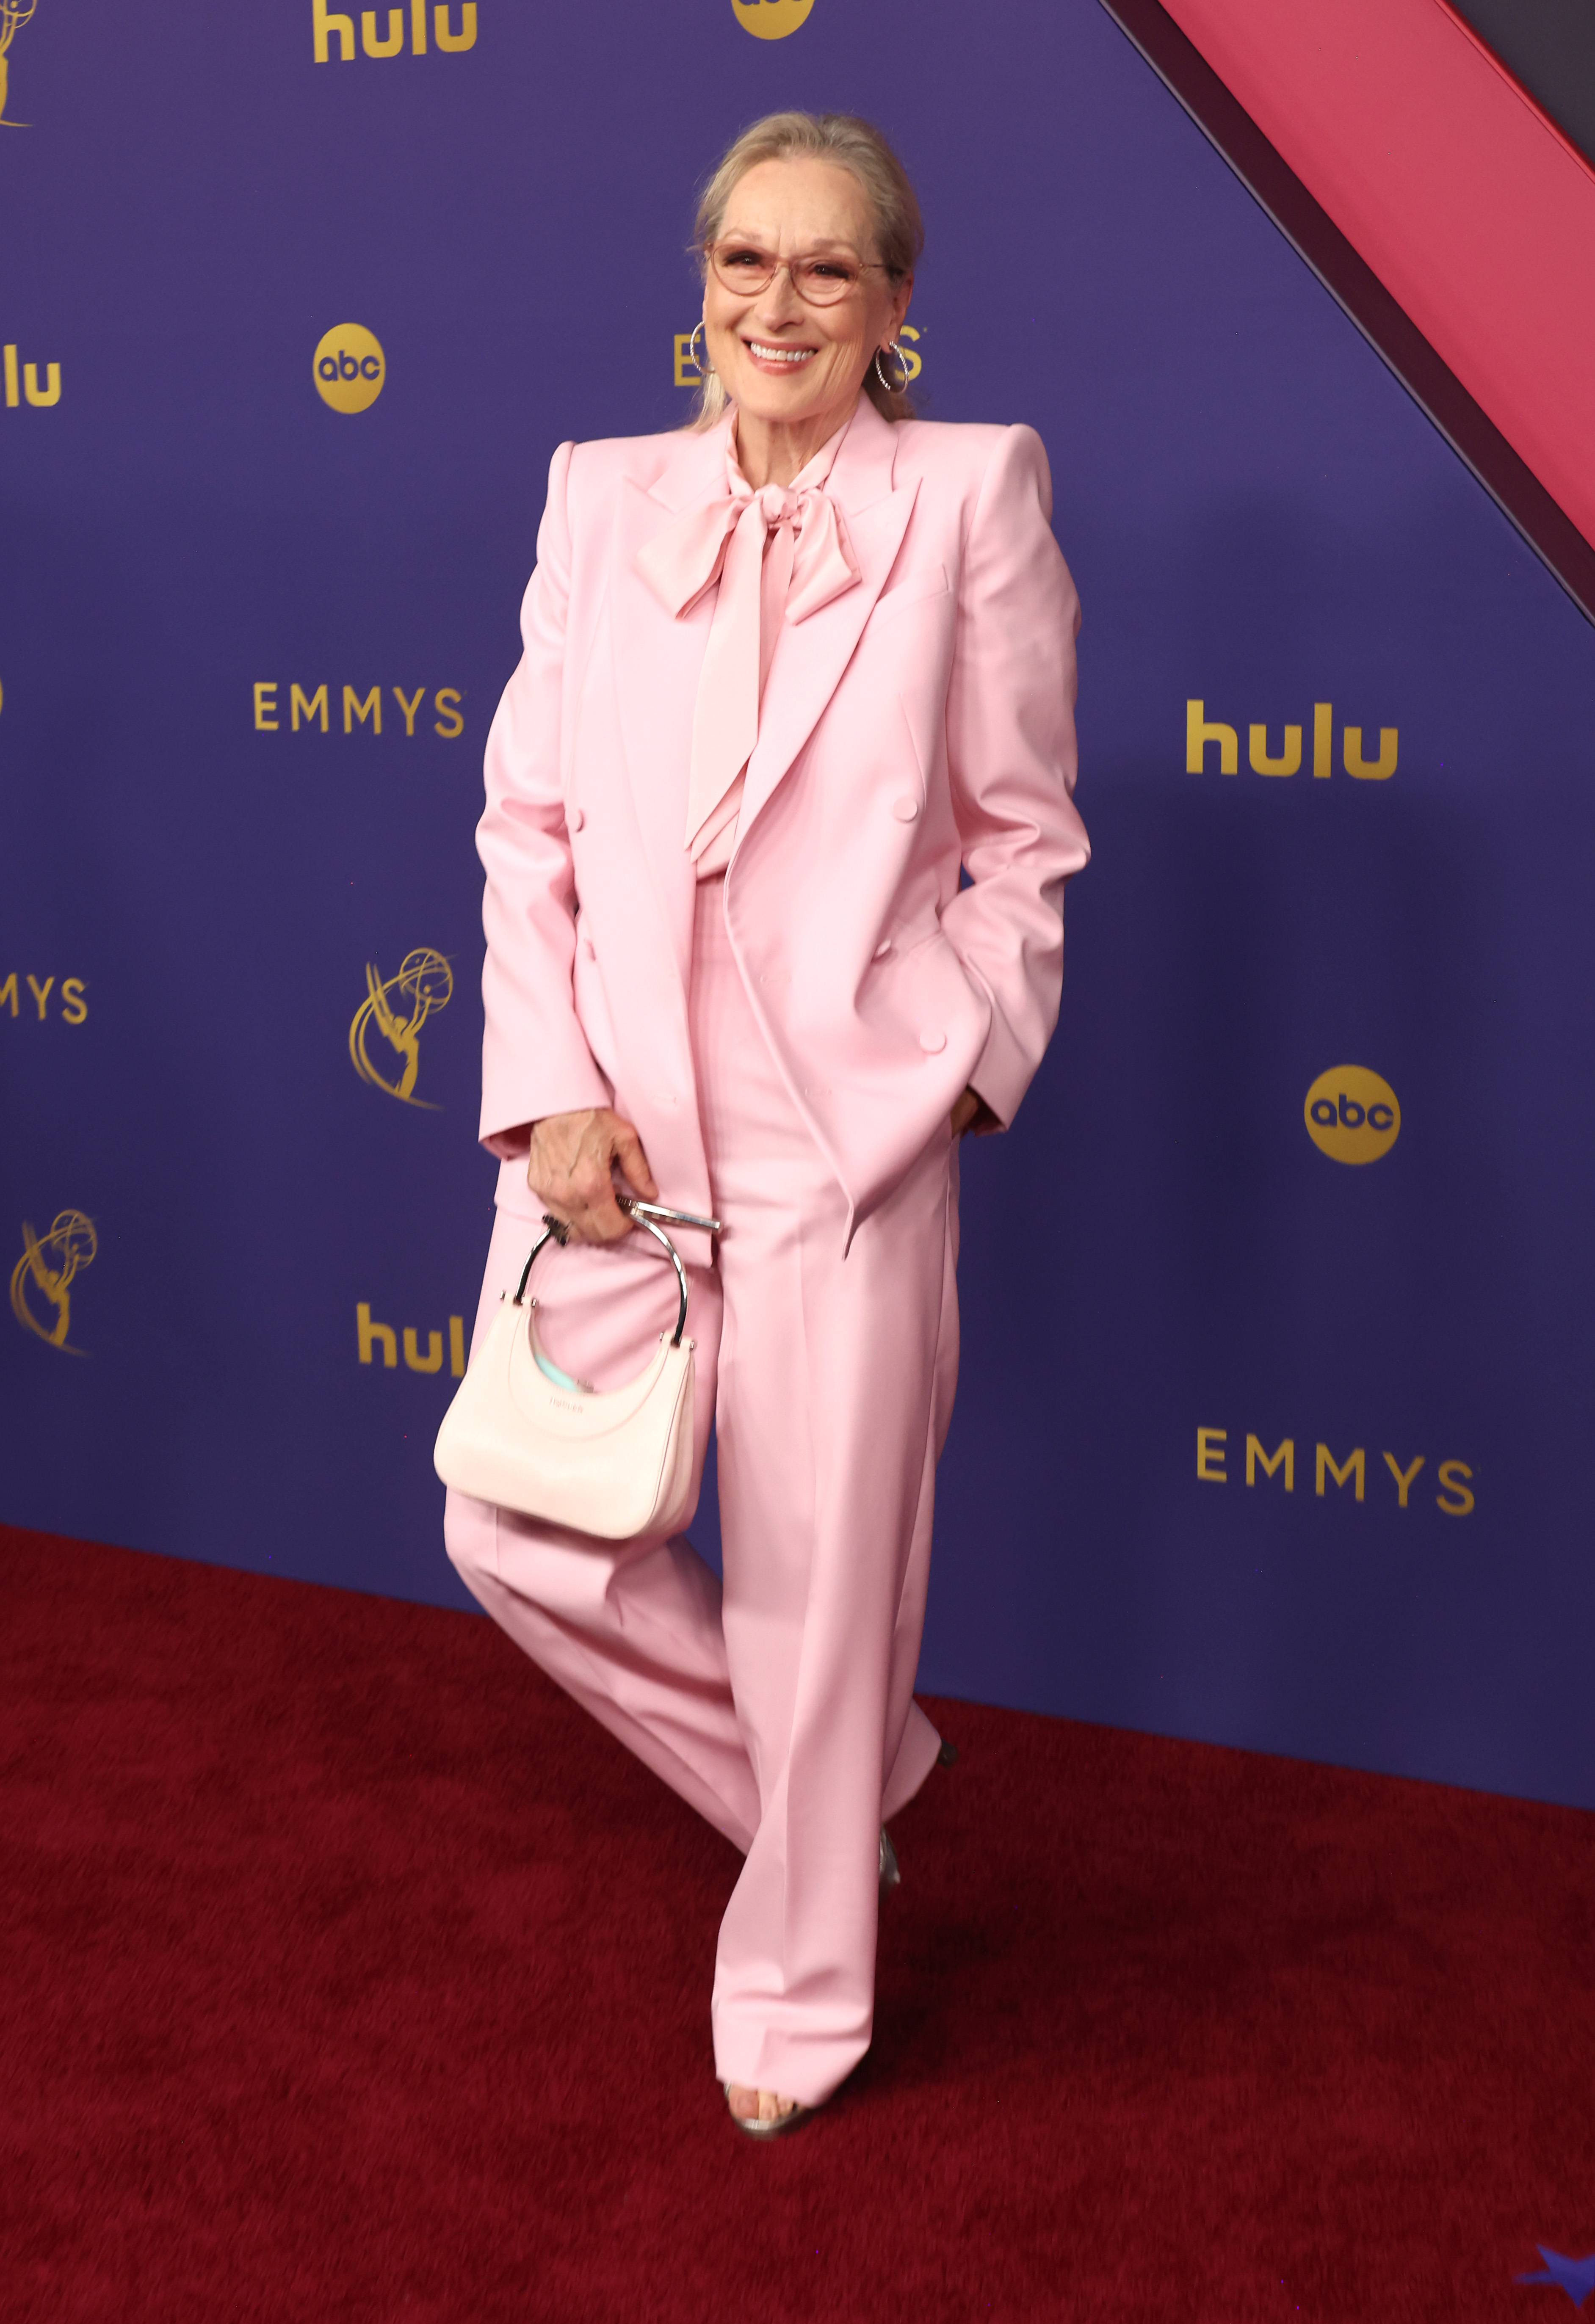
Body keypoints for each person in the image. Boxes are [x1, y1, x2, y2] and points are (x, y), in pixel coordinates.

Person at [445, 110, 1088, 2135]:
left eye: (827, 268)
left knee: (822, 1602)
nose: (779, 303)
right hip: (612, 1146)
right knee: (514, 1528)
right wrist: (544, 1082)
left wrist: (949, 1065)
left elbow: (1023, 840)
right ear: (700, 284)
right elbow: (528, 821)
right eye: (747, 262)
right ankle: (834, 1795)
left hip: (843, 1150)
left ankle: (803, 2001)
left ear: (897, 304)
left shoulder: (973, 495)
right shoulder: (594, 494)